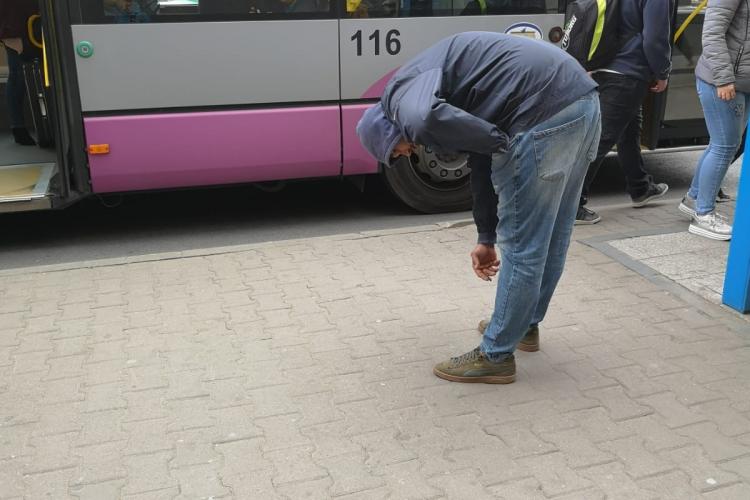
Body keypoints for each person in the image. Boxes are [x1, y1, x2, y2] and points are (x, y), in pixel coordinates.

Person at [357, 32, 600, 383]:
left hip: (542, 115)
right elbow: (481, 162)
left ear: (388, 133)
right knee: (553, 233)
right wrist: (485, 235)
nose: (408, 153)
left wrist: (497, 141)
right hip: (582, 103)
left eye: (398, 151)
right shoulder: (432, 80)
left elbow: (427, 120)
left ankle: (496, 354)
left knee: (522, 247)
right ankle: (524, 326)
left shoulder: (400, 100)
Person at [575, 0, 673, 225]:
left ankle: (640, 187)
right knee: (602, 138)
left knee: (629, 129)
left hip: (603, 65)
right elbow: (655, 38)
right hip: (628, 71)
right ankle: (572, 204)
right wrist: (662, 71)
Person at [679, 0, 749, 241]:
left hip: (741, 81)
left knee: (721, 144)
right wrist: (723, 79)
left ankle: (693, 199)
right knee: (724, 147)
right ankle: (704, 215)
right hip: (724, 81)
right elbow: (712, 32)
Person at [0, 0, 40, 146]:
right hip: (16, 28)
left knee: (18, 76)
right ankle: (18, 127)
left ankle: (20, 127)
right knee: (18, 77)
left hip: (30, 25)